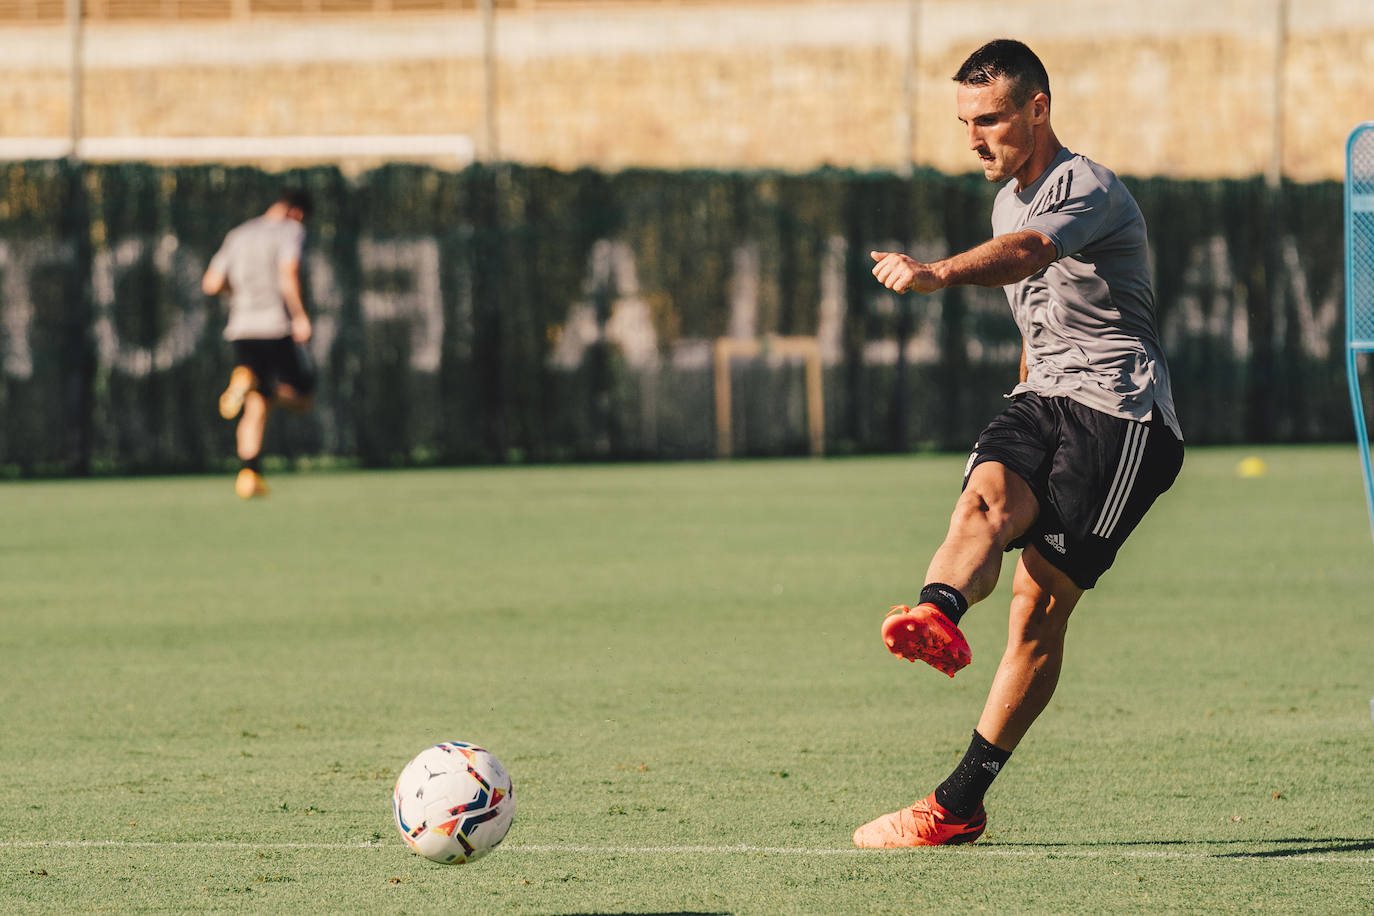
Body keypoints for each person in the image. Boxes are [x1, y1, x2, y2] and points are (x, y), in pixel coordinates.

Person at [853, 39, 1184, 847]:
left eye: (991, 119)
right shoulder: (1006, 201)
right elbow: (1037, 320)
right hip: (1040, 398)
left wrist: (936, 273)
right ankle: (936, 611)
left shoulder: (1087, 187)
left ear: (1038, 109)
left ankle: (957, 804)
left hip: (1121, 417)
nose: (974, 138)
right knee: (983, 500)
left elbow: (1032, 254)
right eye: (965, 122)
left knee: (1037, 608)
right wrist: (1027, 394)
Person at [202, 188, 316, 499]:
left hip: (241, 327)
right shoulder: (290, 231)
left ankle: (249, 475)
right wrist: (300, 316)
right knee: (302, 398)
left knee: (256, 404)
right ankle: (261, 387)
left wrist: (241, 295)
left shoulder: (239, 234)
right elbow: (288, 272)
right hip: (276, 326)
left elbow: (211, 283)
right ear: (297, 212)